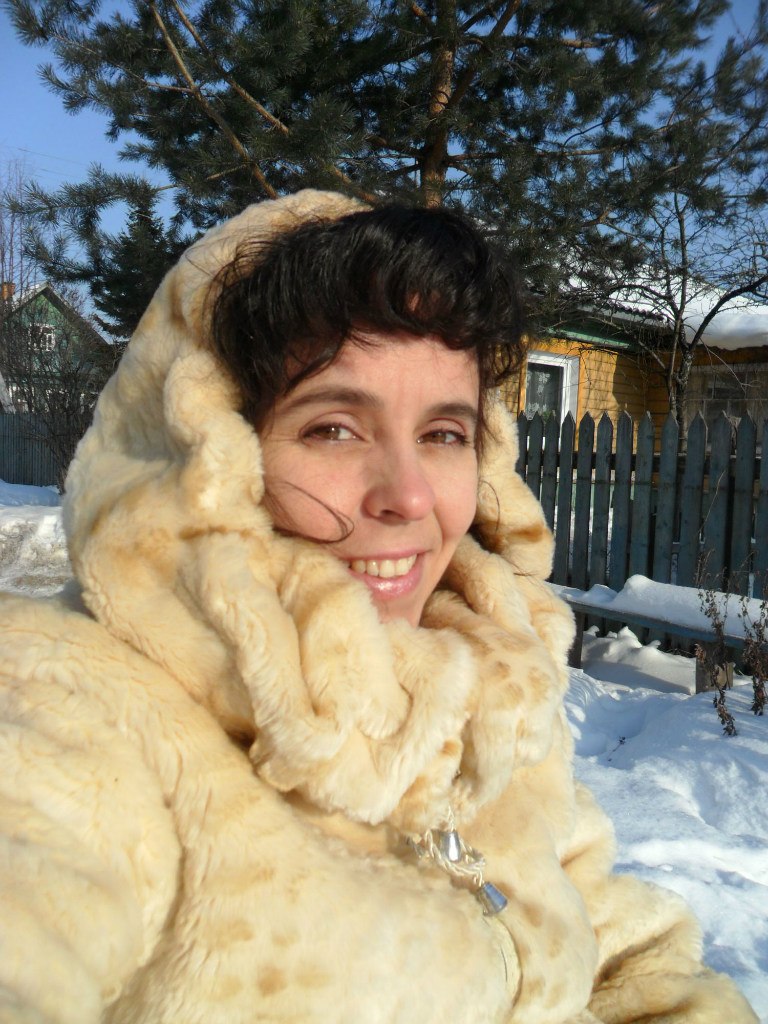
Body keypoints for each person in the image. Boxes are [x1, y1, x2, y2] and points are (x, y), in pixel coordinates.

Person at [0, 190, 756, 1024]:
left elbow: (610, 943)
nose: (409, 496)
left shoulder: (484, 696)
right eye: (333, 428)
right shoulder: (63, 707)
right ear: (207, 455)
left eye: (443, 435)